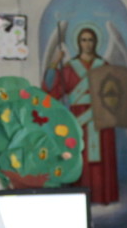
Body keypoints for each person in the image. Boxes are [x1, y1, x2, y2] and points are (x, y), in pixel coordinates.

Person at [43, 26, 120, 203]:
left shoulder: (105, 66)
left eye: (90, 40)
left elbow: (115, 93)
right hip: (79, 120)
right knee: (81, 159)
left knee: (102, 158)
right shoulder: (69, 69)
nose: (87, 44)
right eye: (83, 40)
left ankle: (103, 197)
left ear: (96, 42)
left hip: (101, 119)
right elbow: (50, 91)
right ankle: (81, 199)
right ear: (78, 43)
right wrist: (54, 63)